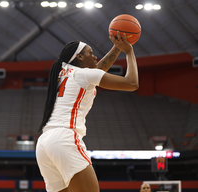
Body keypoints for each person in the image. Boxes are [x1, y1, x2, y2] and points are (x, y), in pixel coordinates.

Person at [36, 31, 138, 192]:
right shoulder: (83, 74)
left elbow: (97, 69)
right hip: (64, 138)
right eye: (91, 53)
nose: (95, 56)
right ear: (80, 57)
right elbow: (132, 83)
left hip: (44, 143)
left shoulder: (63, 73)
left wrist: (116, 48)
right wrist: (129, 51)